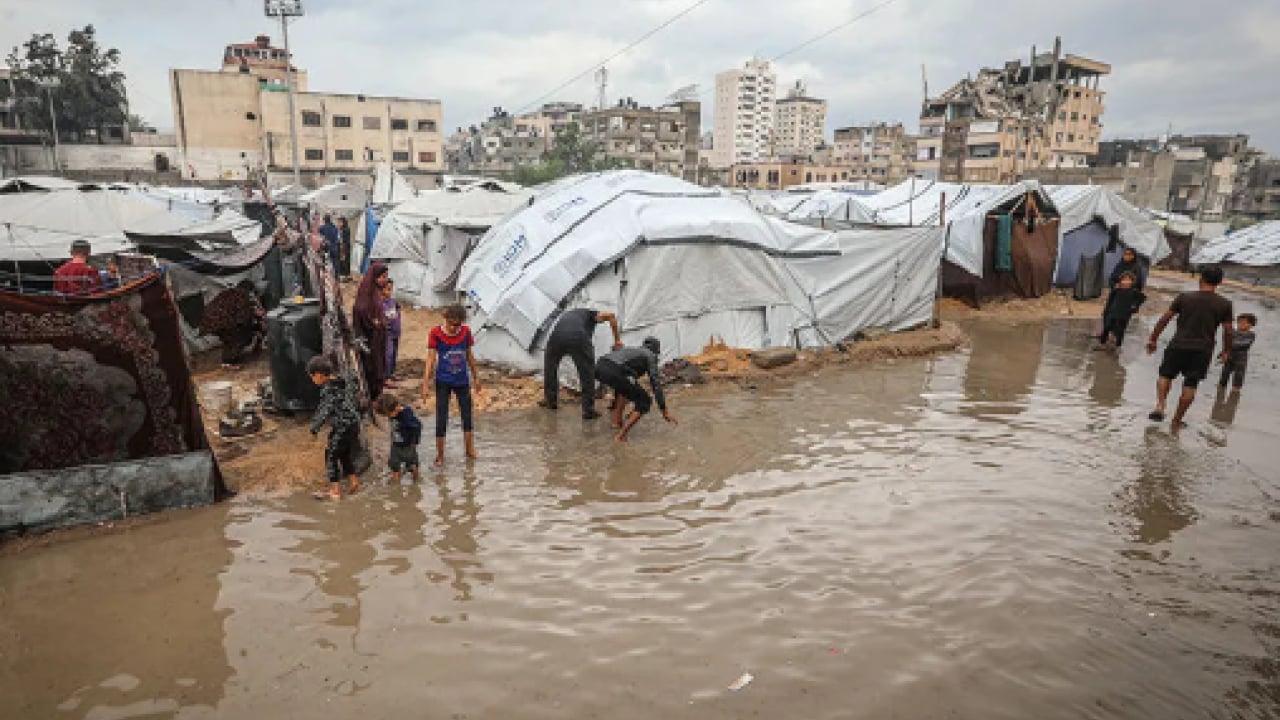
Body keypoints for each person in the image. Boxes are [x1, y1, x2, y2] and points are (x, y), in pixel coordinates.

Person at [1146, 266, 1234, 430]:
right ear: (1220, 282)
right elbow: (1228, 330)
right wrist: (1227, 350)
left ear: (1200, 279)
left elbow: (1165, 319)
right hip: (1202, 350)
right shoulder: (1225, 304)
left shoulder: (1185, 297)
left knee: (1165, 375)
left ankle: (1160, 406)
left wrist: (1153, 339)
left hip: (1178, 344)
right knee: (1190, 385)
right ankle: (1177, 420)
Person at [422, 303, 482, 466]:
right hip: (443, 381)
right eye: (452, 324)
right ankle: (440, 455)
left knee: (467, 416)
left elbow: (469, 355)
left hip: (462, 380)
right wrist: (425, 383)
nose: (455, 328)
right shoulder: (435, 333)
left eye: (458, 324)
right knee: (442, 417)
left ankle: (469, 450)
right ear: (445, 319)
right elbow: (431, 359)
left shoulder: (466, 332)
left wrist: (476, 377)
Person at [541, 308, 624, 419]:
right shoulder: (591, 314)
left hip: (556, 337)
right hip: (578, 338)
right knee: (587, 373)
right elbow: (611, 316)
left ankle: (550, 401)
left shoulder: (570, 315)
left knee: (550, 368)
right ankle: (588, 411)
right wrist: (617, 340)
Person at [595, 337, 677, 442]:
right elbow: (655, 384)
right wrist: (664, 411)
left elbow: (625, 383)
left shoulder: (632, 351)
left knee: (625, 389)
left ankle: (616, 422)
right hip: (616, 371)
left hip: (600, 366)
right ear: (656, 351)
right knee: (645, 401)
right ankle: (621, 436)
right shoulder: (650, 356)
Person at [308, 355, 363, 500]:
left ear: (319, 375)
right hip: (354, 424)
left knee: (331, 455)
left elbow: (324, 411)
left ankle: (335, 491)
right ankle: (353, 482)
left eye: (312, 377)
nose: (313, 381)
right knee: (344, 453)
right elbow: (354, 382)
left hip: (342, 426)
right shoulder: (342, 381)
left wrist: (314, 428)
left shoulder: (329, 391)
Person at [199, 280, 267, 368]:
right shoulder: (242, 295)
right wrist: (255, 323)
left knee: (230, 337)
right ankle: (230, 360)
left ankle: (229, 358)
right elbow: (243, 317)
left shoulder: (228, 292)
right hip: (222, 322)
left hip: (208, 322)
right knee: (240, 335)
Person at [352, 262, 391, 400]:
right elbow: (360, 310)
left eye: (386, 276)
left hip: (378, 338)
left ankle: (377, 396)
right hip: (368, 339)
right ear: (374, 277)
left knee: (379, 365)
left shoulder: (376, 293)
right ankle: (372, 397)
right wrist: (373, 322)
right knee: (370, 368)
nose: (384, 280)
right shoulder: (366, 293)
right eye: (382, 277)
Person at [375, 393, 422, 484]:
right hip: (395, 446)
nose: (387, 417)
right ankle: (396, 485)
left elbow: (418, 426)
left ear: (395, 409)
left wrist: (415, 442)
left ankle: (416, 483)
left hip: (408, 446)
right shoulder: (392, 411)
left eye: (388, 414)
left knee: (412, 465)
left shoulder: (407, 414)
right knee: (394, 465)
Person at [1094, 272, 1145, 350]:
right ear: (1120, 281)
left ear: (1132, 281)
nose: (1126, 282)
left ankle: (1117, 346)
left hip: (1124, 315)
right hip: (1113, 312)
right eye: (1124, 280)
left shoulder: (1134, 291)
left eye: (1128, 280)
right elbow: (1110, 301)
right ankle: (1102, 344)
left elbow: (1142, 298)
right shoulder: (1116, 290)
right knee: (1107, 327)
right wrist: (1106, 310)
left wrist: (1135, 306)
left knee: (1120, 330)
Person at [1218, 313, 1257, 393]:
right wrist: (1223, 352)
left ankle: (1236, 388)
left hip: (1241, 357)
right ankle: (1221, 385)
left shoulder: (1251, 335)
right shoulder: (1233, 332)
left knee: (1239, 373)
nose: (1240, 324)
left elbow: (1244, 344)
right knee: (1225, 371)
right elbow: (1227, 343)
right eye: (1239, 322)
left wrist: (1231, 345)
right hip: (1230, 355)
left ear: (1251, 325)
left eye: (1243, 323)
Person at [382, 279, 402, 381]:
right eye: (387, 289)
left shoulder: (393, 301)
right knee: (388, 355)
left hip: (396, 332)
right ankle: (386, 377)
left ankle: (391, 374)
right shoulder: (380, 304)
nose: (390, 292)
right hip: (387, 333)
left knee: (394, 354)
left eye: (391, 289)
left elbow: (398, 308)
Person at [337, 216, 353, 281]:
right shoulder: (345, 229)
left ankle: (345, 276)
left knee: (344, 262)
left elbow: (342, 240)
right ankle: (346, 275)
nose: (338, 223)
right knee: (345, 261)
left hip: (344, 248)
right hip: (344, 248)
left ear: (343, 222)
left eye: (339, 222)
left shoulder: (344, 230)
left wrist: (342, 249)